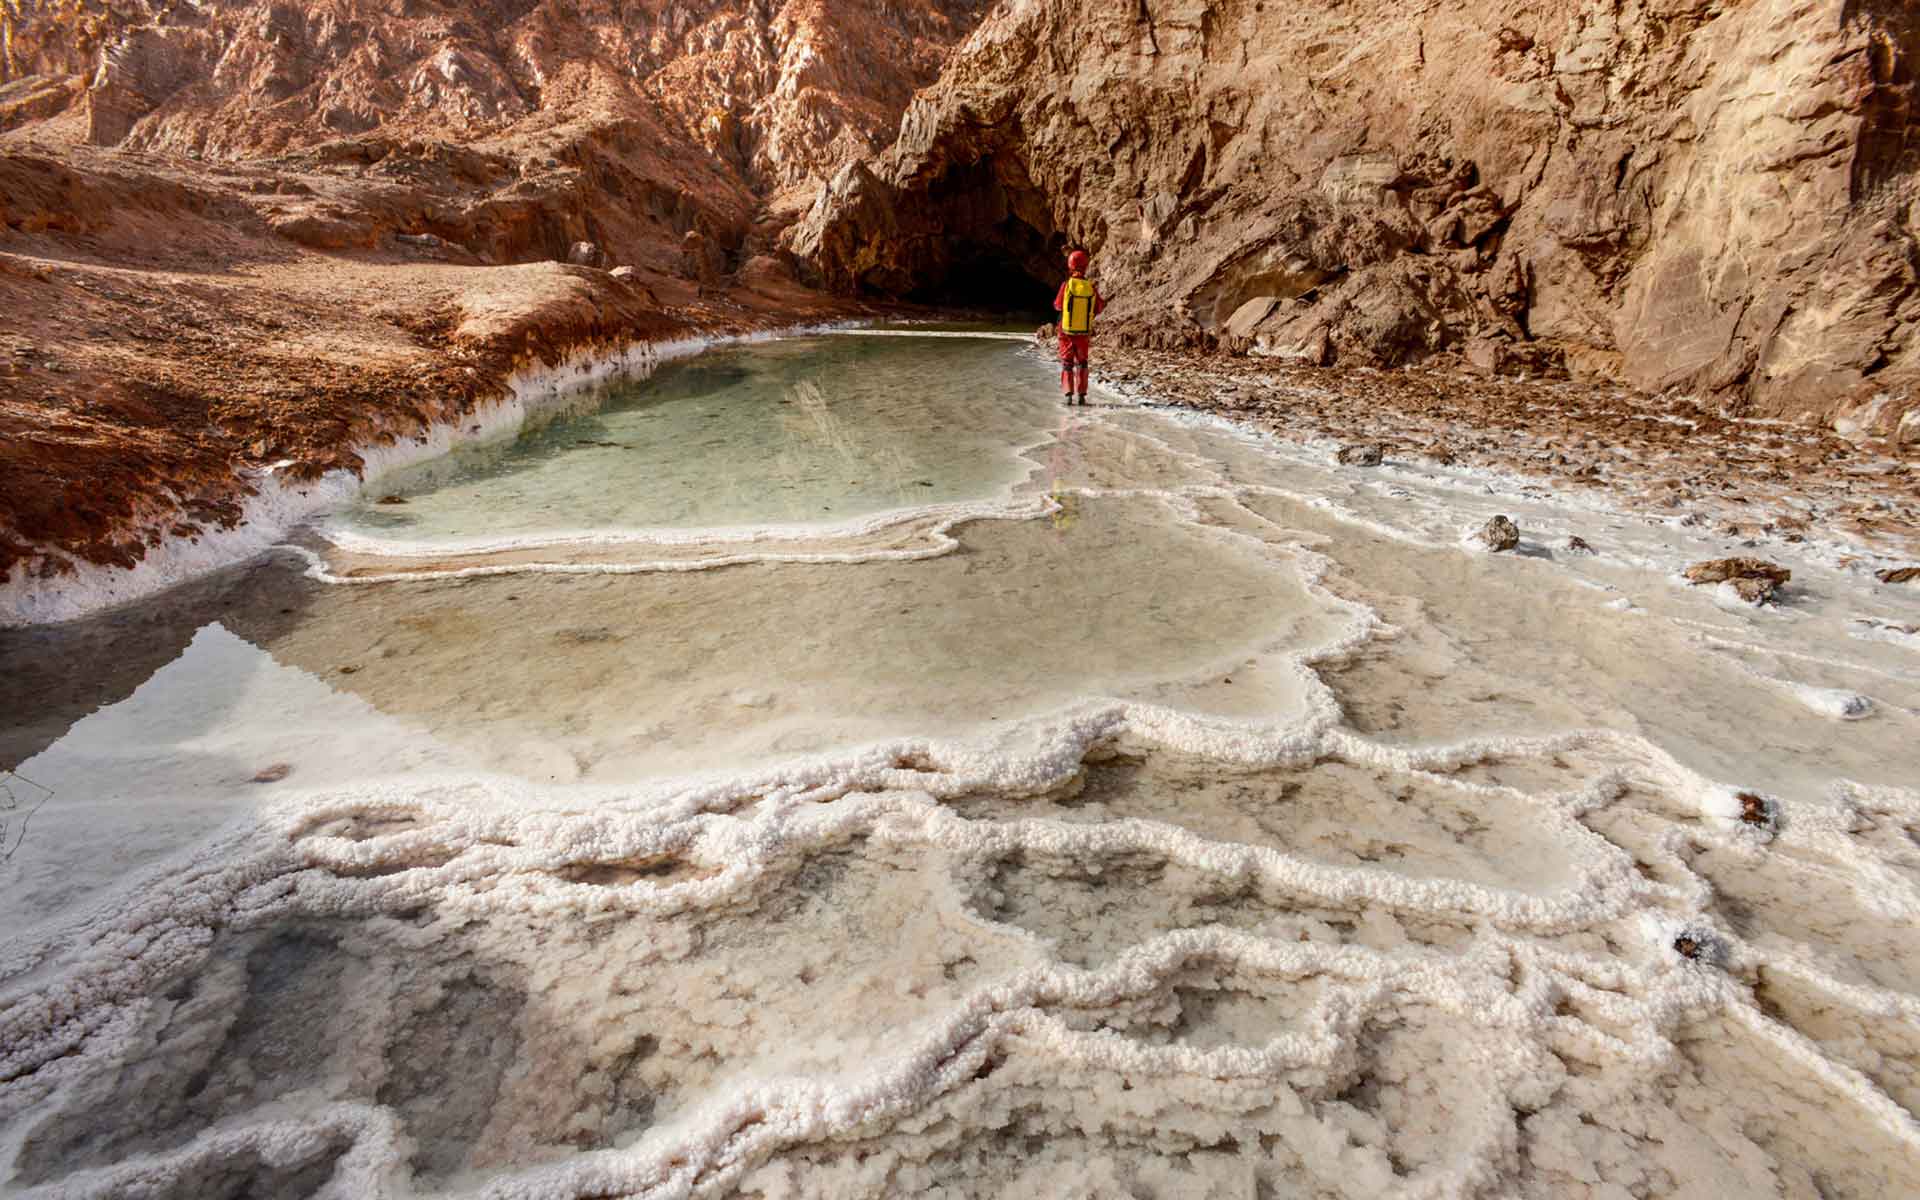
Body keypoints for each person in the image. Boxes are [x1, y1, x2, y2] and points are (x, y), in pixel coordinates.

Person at [1053, 249, 1104, 405]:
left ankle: (1068, 395)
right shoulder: (1090, 287)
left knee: (1067, 363)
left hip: (1066, 332)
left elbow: (1057, 305)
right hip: (1083, 332)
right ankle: (1082, 396)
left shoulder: (1066, 285)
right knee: (1082, 363)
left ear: (1070, 266)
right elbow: (1099, 307)